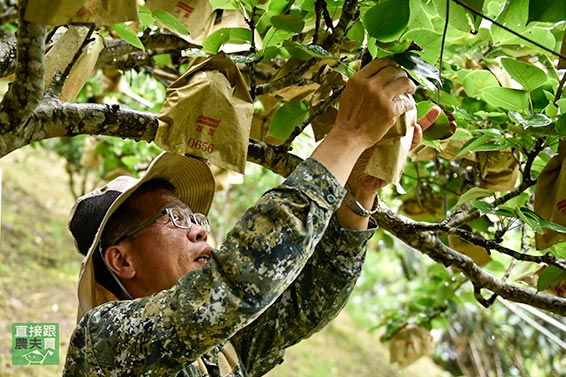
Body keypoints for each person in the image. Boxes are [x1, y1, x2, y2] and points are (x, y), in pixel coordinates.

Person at [63, 57, 440, 376]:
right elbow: (240, 281)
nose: (197, 229)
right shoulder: (103, 340)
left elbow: (306, 303)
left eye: (193, 216)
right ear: (122, 259)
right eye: (173, 219)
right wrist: (346, 137)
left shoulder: (214, 346)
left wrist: (360, 192)